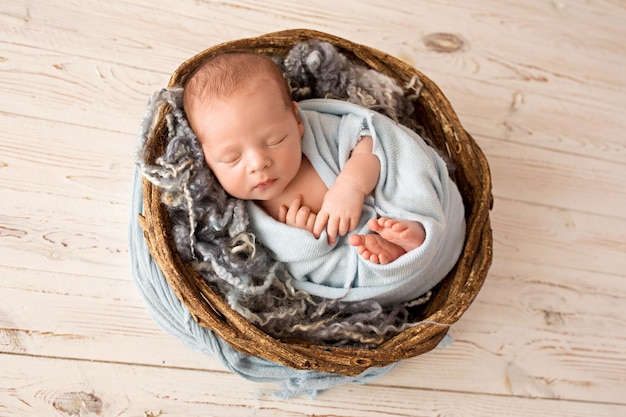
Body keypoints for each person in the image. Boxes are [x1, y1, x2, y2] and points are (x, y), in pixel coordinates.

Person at [183, 52, 428, 265]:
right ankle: (400, 255)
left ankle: (420, 230)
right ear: (206, 160)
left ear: (297, 121)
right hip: (354, 252)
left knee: (405, 194)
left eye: (275, 140)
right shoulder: (243, 219)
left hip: (388, 200)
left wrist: (351, 186)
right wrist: (303, 238)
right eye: (232, 157)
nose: (258, 164)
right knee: (360, 253)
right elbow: (288, 266)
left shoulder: (320, 131)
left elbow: (371, 140)